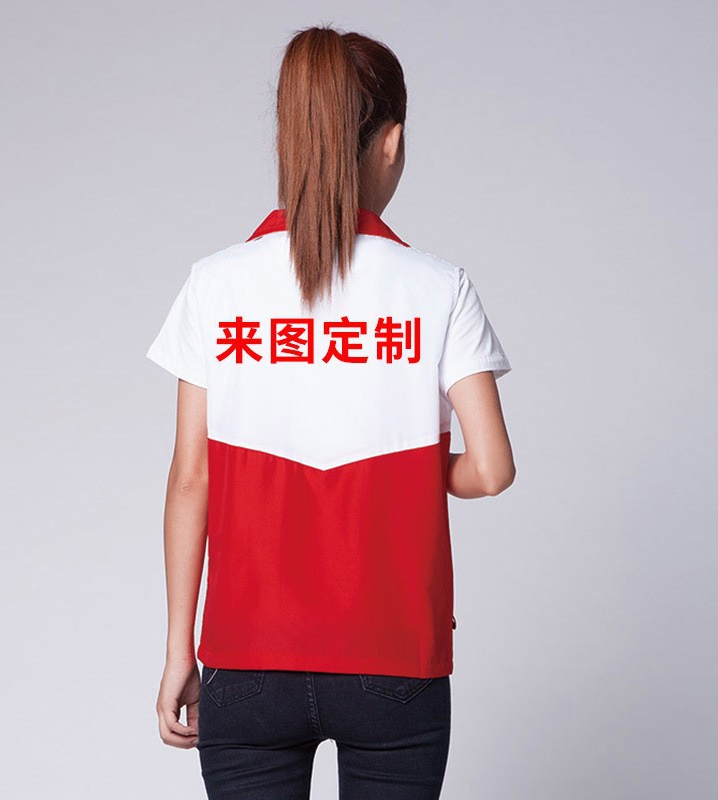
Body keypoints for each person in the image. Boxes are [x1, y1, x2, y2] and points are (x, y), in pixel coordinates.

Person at [145, 23, 515, 800]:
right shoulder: (438, 288)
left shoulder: (217, 284)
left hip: (247, 657)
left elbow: (190, 480)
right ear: (391, 143)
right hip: (395, 658)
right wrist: (411, 468)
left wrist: (181, 647)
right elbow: (491, 470)